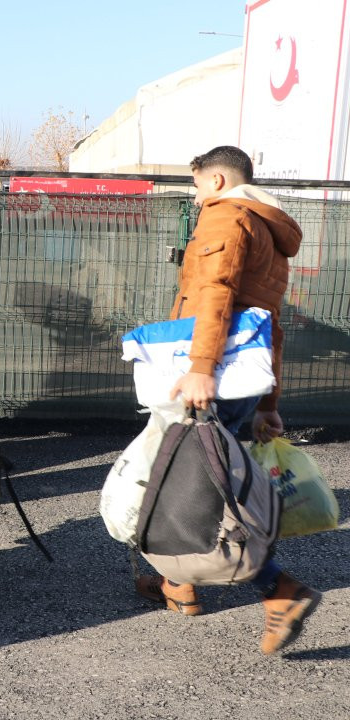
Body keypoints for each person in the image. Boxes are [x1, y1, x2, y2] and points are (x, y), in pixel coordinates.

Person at [136, 145, 319, 656]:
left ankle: (278, 590)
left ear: (216, 180)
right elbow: (269, 325)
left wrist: (198, 370)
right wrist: (268, 401)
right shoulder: (267, 228)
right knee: (205, 480)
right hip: (240, 379)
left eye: (195, 186)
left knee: (178, 479)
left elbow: (213, 294)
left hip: (207, 374)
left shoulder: (226, 217)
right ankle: (179, 585)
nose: (194, 198)